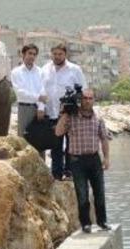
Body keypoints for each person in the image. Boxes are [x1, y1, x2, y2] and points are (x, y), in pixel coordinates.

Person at [54, 88, 111, 233]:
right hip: (77, 160)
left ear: (94, 100)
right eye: (85, 98)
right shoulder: (71, 117)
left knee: (99, 192)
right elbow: (58, 132)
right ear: (80, 100)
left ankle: (102, 222)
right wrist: (64, 113)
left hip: (94, 159)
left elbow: (104, 139)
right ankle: (86, 223)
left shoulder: (98, 119)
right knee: (82, 193)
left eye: (90, 98)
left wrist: (106, 158)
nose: (87, 101)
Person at [42, 42, 86, 180]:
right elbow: (41, 89)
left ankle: (70, 172)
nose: (57, 57)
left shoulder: (75, 69)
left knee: (71, 144)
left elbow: (83, 89)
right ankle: (56, 174)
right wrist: (41, 108)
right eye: (54, 54)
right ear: (51, 54)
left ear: (65, 54)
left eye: (60, 54)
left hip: (70, 113)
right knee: (55, 145)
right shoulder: (45, 69)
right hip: (52, 112)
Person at [10, 43, 45, 138]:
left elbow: (43, 90)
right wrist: (38, 97)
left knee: (40, 139)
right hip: (24, 109)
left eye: (34, 54)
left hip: (38, 109)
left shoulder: (40, 71)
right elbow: (20, 93)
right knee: (24, 139)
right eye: (30, 53)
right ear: (23, 54)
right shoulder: (16, 72)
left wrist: (41, 108)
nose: (32, 56)